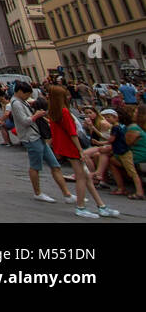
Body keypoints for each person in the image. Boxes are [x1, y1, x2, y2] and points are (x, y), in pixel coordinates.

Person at [46, 84, 119, 218]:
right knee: (81, 177)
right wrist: (80, 150)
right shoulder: (64, 111)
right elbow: (72, 133)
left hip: (65, 147)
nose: (68, 96)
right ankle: (81, 207)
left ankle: (101, 206)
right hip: (72, 147)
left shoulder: (53, 112)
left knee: (86, 177)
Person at [8, 81, 74, 204]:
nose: (28, 96)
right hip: (31, 138)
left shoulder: (22, 101)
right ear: (20, 92)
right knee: (35, 167)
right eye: (27, 94)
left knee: (55, 165)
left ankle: (67, 194)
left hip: (38, 136)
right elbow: (24, 122)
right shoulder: (16, 103)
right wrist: (37, 115)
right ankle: (38, 193)